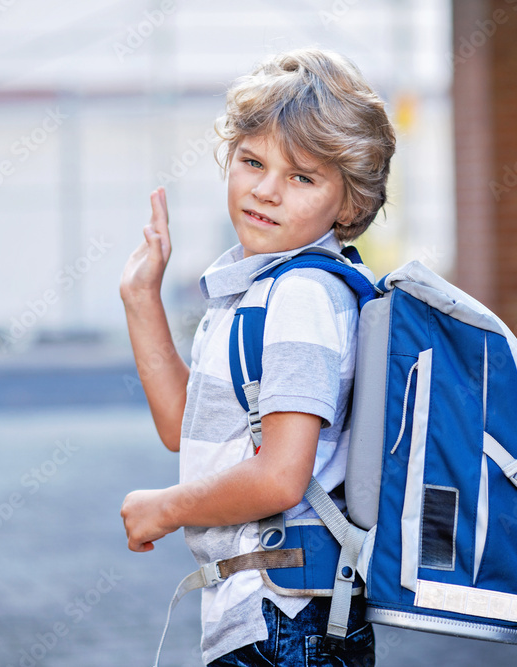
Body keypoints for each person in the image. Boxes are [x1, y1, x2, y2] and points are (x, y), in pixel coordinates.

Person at [120, 47, 396, 667]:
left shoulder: (301, 295)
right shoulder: (261, 289)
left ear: (348, 204)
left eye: (302, 177)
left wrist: (164, 508)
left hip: (287, 621)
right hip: (267, 616)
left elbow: (279, 477)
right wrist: (141, 298)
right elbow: (182, 426)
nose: (266, 191)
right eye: (252, 161)